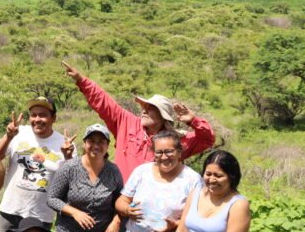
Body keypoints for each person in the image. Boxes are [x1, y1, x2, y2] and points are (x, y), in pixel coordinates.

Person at [61, 61, 215, 180]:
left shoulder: (175, 141)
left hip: (152, 208)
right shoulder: (126, 123)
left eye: (150, 108)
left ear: (163, 116)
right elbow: (104, 102)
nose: (143, 110)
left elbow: (207, 139)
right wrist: (82, 80)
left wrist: (193, 120)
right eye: (143, 106)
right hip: (120, 199)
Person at [47, 124, 124, 232]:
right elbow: (52, 198)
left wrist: (117, 221)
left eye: (101, 142)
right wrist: (75, 212)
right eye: (91, 141)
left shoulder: (113, 171)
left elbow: (122, 201)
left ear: (107, 145)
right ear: (84, 143)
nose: (95, 145)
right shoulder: (69, 168)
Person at [0, 96, 75, 232]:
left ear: (53, 118)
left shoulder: (63, 143)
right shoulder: (18, 133)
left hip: (41, 214)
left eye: (43, 115)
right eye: (34, 115)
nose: (37, 119)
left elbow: (71, 181)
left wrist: (68, 157)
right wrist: (8, 136)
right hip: (11, 209)